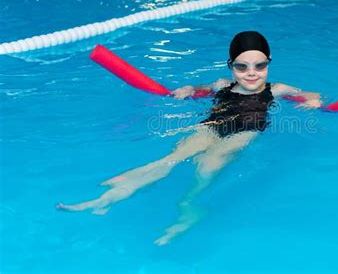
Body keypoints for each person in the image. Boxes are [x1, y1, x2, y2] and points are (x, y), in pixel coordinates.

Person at [56, 31, 322, 245]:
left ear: (269, 62)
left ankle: (190, 207)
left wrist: (314, 100)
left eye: (259, 65)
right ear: (231, 66)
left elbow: (310, 94)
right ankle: (108, 199)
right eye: (242, 67)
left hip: (245, 132)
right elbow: (201, 89)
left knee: (207, 166)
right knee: (171, 159)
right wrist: (188, 89)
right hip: (211, 126)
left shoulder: (277, 88)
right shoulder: (221, 85)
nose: (251, 73)